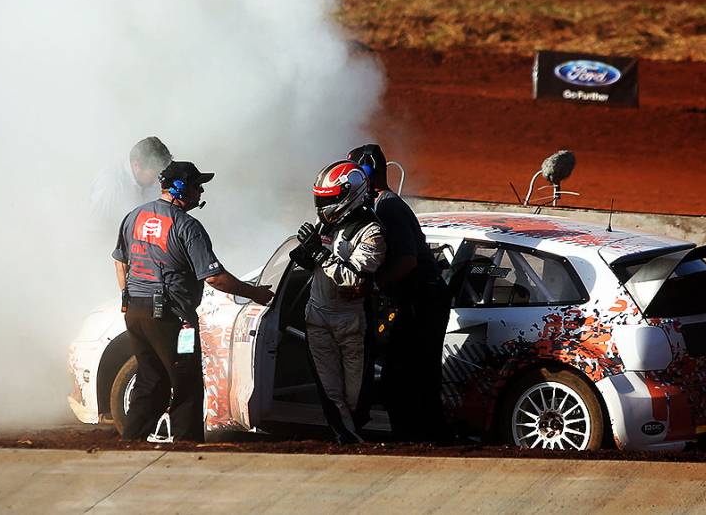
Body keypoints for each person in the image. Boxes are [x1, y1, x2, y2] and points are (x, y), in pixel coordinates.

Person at [113, 160, 273, 443]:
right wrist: (255, 293)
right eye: (196, 186)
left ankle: (130, 443)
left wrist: (128, 296)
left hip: (136, 312)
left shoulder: (133, 216)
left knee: (152, 381)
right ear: (180, 188)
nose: (200, 192)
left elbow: (119, 260)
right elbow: (215, 278)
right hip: (168, 317)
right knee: (185, 384)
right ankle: (188, 449)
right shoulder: (187, 225)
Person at [347, 143, 452, 442]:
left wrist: (377, 285)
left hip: (421, 302)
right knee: (417, 374)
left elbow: (407, 260)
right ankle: (428, 437)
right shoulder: (384, 205)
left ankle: (417, 439)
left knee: (402, 377)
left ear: (366, 171)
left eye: (355, 174)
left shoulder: (388, 206)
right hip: (423, 300)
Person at [290, 160, 386, 444]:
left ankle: (353, 437)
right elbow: (304, 264)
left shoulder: (372, 232)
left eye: (329, 199)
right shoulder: (327, 223)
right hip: (317, 319)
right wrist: (306, 249)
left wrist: (319, 253)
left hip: (353, 322)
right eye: (320, 199)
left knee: (355, 396)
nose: (322, 206)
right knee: (331, 392)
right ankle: (347, 443)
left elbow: (354, 280)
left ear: (350, 194)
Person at [91, 136, 172, 229]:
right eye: (154, 175)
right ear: (136, 165)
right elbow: (95, 227)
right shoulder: (111, 184)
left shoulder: (149, 180)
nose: (158, 182)